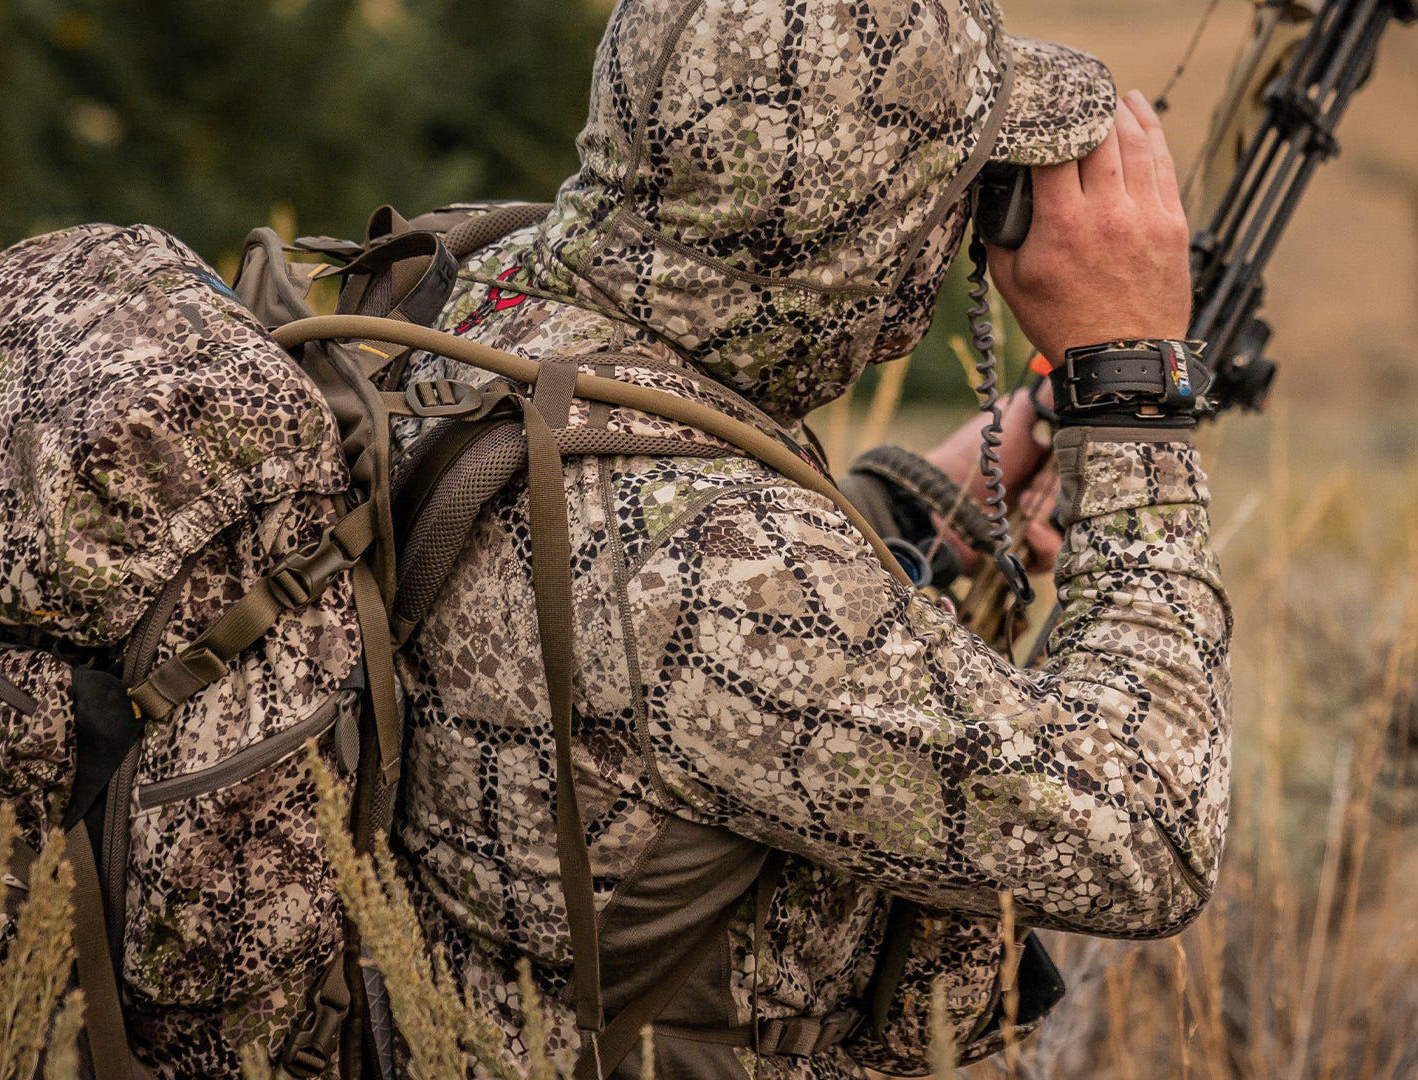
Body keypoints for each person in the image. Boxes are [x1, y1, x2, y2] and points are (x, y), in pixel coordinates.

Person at [390, 0, 1230, 1076]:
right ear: (877, 232)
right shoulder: (720, 580)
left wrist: (927, 495)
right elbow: (1150, 829)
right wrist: (1131, 396)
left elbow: (662, 582)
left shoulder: (477, 308)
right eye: (959, 182)